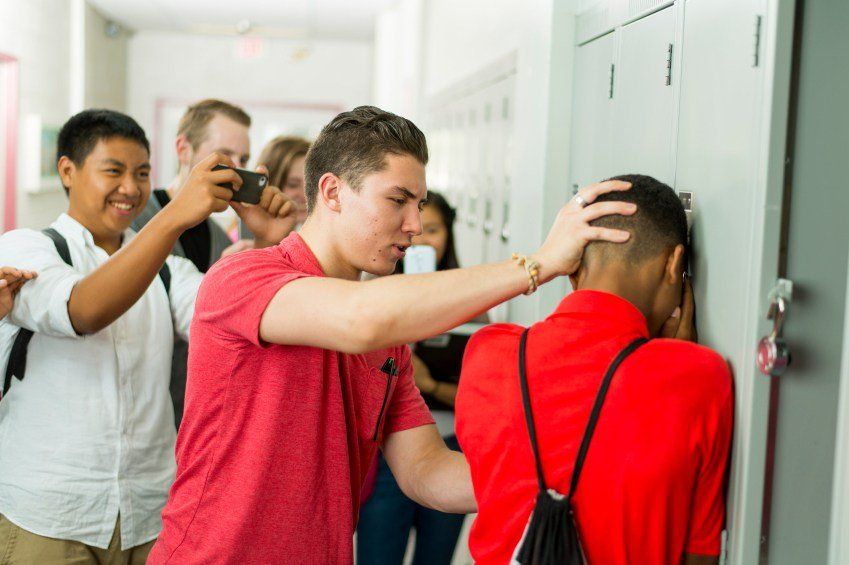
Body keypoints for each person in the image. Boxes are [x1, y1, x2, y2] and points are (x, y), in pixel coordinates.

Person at [148, 105, 636, 564]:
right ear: (333, 192)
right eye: (398, 200)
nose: (416, 225)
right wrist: (540, 264)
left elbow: (427, 471)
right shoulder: (244, 278)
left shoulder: (388, 343)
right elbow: (360, 320)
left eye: (419, 204)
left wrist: (561, 472)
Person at [0, 108, 293, 563]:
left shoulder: (170, 273)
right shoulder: (27, 248)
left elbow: (241, 321)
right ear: (67, 171)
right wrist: (175, 215)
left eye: (141, 173)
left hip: (149, 515)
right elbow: (83, 310)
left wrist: (266, 246)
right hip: (49, 517)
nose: (131, 189)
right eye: (113, 171)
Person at [455, 174, 733, 565]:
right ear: (675, 265)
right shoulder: (700, 376)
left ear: (571, 270)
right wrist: (672, 358)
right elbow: (699, 553)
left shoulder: (488, 353)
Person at [132, 99, 298, 426]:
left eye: (244, 159)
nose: (238, 169)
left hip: (194, 412)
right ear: (183, 149)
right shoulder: (138, 223)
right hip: (142, 410)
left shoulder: (221, 239)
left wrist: (265, 246)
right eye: (225, 156)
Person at [357, 191, 474, 564]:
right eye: (416, 230)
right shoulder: (372, 300)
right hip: (386, 454)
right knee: (378, 554)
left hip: (452, 445)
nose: (422, 237)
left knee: (436, 557)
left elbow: (478, 402)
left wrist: (431, 385)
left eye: (435, 229)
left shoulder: (471, 305)